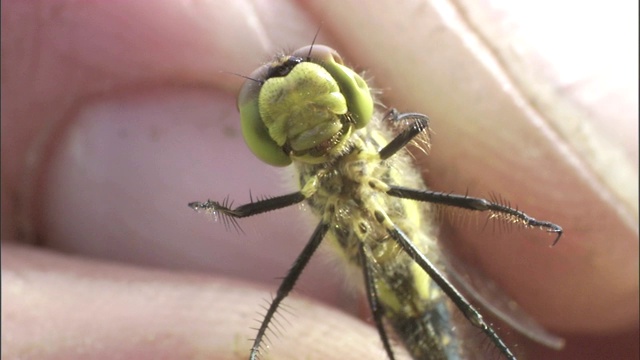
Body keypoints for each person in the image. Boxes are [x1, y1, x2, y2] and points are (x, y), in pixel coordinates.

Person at [2, 1, 637, 359]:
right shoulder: (349, 135)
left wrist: (524, 216)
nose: (289, 86)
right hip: (376, 264)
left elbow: (423, 148)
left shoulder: (341, 148)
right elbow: (410, 127)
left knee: (468, 315)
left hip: (414, 265)